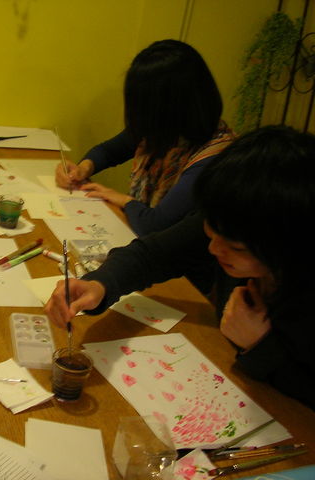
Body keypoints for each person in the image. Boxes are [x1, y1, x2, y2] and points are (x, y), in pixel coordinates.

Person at [46, 125, 315, 410]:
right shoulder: (231, 217)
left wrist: (260, 347)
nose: (213, 249)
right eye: (210, 231)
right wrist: (100, 284)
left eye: (236, 248)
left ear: (288, 246)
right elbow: (154, 254)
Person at [56, 39, 234, 236]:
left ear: (169, 107)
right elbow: (107, 151)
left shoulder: (213, 159)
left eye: (143, 106)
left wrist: (124, 200)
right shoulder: (165, 130)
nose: (137, 115)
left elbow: (156, 224)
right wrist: (83, 168)